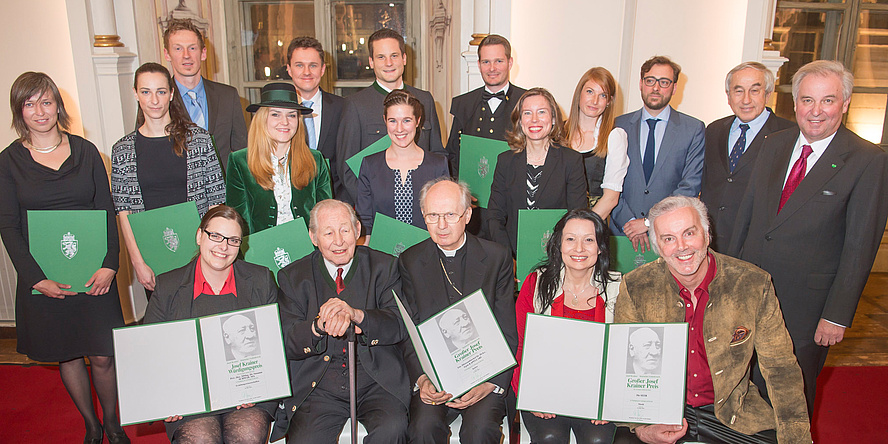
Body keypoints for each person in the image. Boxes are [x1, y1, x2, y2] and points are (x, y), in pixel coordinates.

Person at [729, 60, 888, 414]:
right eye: (807, 101)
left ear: (845, 103)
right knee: (742, 390)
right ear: (795, 102)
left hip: (807, 309)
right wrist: (730, 282)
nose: (816, 112)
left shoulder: (867, 160)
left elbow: (860, 247)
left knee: (790, 401)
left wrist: (837, 315)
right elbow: (748, 218)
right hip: (751, 295)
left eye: (827, 101)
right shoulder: (773, 143)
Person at [0, 72, 129, 444]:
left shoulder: (86, 151)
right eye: (29, 104)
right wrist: (34, 278)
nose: (39, 111)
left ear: (58, 105)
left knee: (103, 355)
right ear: (19, 111)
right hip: (45, 278)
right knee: (69, 354)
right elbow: (8, 226)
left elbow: (106, 210)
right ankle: (90, 425)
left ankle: (113, 424)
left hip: (95, 275)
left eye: (46, 101)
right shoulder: (8, 162)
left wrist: (110, 263)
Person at [617, 196, 810, 444]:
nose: (681, 246)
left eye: (689, 233)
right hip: (662, 412)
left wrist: (796, 437)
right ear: (657, 247)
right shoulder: (636, 286)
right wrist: (641, 426)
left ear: (707, 235)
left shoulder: (752, 283)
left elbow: (781, 368)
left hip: (733, 413)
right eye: (668, 239)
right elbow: (625, 366)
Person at [274, 199, 410, 443]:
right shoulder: (293, 277)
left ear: (357, 230)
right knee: (305, 439)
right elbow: (286, 341)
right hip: (320, 387)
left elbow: (399, 325)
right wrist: (318, 326)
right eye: (328, 232)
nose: (338, 241)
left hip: (376, 382)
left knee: (393, 430)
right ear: (313, 237)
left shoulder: (385, 267)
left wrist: (359, 315)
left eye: (345, 230)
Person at [143, 205, 278, 443]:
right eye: (215, 236)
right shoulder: (168, 286)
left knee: (246, 437)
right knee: (200, 440)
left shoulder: (261, 279)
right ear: (199, 235)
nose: (223, 247)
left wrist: (258, 386)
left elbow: (274, 344)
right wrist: (166, 398)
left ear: (240, 245)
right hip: (189, 396)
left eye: (233, 240)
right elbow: (150, 351)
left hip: (246, 393)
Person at [398, 177, 517, 444]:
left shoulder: (497, 257)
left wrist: (491, 382)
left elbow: (507, 327)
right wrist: (422, 379)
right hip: (435, 376)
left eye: (450, 215)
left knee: (479, 432)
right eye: (432, 216)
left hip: (484, 372)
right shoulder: (410, 261)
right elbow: (410, 331)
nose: (441, 225)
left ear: (467, 215)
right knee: (422, 429)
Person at [111, 62, 225, 292]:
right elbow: (124, 214)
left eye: (161, 92)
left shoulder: (199, 140)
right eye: (146, 92)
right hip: (153, 257)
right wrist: (138, 263)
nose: (154, 100)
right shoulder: (122, 150)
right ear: (135, 94)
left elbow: (216, 202)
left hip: (198, 253)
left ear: (171, 94)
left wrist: (213, 253)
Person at [513, 208, 619, 444]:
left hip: (597, 394)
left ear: (600, 247)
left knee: (597, 440)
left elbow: (624, 356)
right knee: (549, 437)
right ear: (558, 244)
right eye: (570, 239)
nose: (579, 248)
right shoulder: (536, 283)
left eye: (589, 240)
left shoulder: (618, 290)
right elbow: (520, 345)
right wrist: (530, 395)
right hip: (545, 389)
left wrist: (609, 402)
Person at [336, 28, 445, 204]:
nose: (388, 63)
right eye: (381, 57)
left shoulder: (424, 99)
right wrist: (370, 207)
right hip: (378, 210)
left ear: (404, 58)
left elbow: (438, 153)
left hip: (423, 207)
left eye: (394, 56)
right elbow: (347, 171)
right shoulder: (356, 105)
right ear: (371, 62)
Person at [611, 56, 705, 253]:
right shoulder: (617, 125)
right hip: (621, 232)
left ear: (675, 87)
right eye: (650, 80)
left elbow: (690, 185)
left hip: (670, 236)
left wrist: (648, 222)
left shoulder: (693, 129)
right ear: (641, 83)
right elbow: (609, 182)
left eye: (664, 82)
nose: (656, 88)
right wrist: (629, 222)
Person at [700, 62, 794, 251]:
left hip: (756, 243)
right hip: (711, 242)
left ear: (767, 94)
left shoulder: (789, 135)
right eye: (738, 91)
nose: (746, 100)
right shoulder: (714, 130)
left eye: (754, 91)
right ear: (728, 96)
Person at [485, 87, 587, 257]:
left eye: (541, 112)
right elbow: (494, 217)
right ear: (519, 120)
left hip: (557, 256)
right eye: (527, 113)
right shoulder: (505, 161)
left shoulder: (572, 161)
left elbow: (577, 217)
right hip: (513, 256)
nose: (534, 120)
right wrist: (507, 257)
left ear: (553, 119)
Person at [225, 82, 332, 234]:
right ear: (263, 118)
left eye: (292, 115)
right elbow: (238, 220)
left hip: (308, 249)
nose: (285, 122)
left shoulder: (315, 159)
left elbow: (325, 214)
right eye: (276, 114)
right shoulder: (239, 161)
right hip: (260, 250)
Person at [356, 90, 449, 239]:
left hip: (424, 252)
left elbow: (443, 218)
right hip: (382, 253)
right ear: (385, 120)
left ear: (418, 121)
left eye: (406, 120)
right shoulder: (369, 165)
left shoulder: (438, 165)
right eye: (393, 121)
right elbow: (366, 220)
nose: (399, 129)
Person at [163, 18, 247, 169]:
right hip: (180, 190)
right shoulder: (158, 100)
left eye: (192, 48)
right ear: (167, 54)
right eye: (178, 49)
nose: (186, 55)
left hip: (224, 188)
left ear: (203, 53)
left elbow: (242, 151)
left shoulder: (228, 96)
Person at [445, 34, 526, 176]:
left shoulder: (527, 101)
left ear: (510, 63)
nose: (492, 68)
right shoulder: (463, 104)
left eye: (499, 61)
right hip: (473, 193)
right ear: (479, 64)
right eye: (486, 62)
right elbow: (453, 156)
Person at [564, 67, 630, 219]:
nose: (594, 101)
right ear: (579, 93)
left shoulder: (614, 137)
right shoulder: (558, 133)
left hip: (592, 223)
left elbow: (610, 198)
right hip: (553, 220)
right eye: (590, 92)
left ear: (609, 102)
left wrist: (582, 229)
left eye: (602, 95)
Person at [286, 36, 346, 198]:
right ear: (289, 69)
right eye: (299, 65)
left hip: (333, 201)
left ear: (322, 69)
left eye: (313, 65)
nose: (307, 72)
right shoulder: (276, 114)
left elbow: (348, 164)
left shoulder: (343, 109)